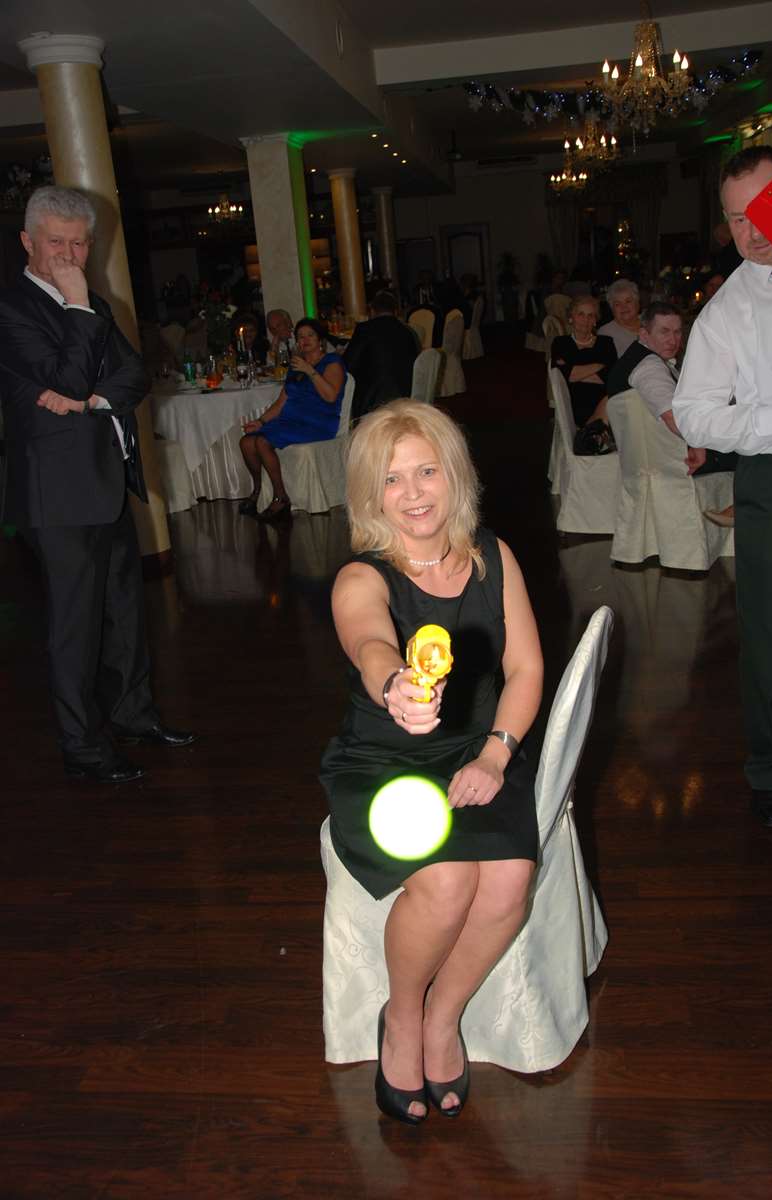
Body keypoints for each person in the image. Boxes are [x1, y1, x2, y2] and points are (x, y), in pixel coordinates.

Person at [320, 400, 543, 1123]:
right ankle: (402, 1016)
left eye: (426, 472)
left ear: (454, 475)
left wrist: (496, 756)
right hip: (382, 763)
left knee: (508, 879)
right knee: (446, 881)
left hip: (478, 751)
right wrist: (394, 685)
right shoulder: (362, 576)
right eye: (391, 479)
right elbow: (369, 642)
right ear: (370, 494)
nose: (413, 493)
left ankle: (444, 1016)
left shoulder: (491, 555)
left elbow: (526, 670)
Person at [0, 185, 196, 783]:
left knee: (124, 613)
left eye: (79, 244)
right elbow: (65, 376)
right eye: (55, 242)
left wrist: (89, 401)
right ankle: (82, 746)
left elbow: (132, 374)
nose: (68, 256)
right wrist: (80, 308)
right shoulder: (12, 307)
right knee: (74, 628)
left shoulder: (95, 304)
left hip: (107, 479)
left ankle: (133, 715)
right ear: (27, 241)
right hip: (56, 496)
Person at [673, 145, 772, 831]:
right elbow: (693, 414)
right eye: (736, 219)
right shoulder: (727, 310)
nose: (751, 233)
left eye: (763, 212)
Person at [238, 317, 345, 521]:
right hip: (290, 421)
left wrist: (310, 371)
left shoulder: (332, 363)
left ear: (320, 340)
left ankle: (281, 497)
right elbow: (281, 403)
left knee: (262, 442)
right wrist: (260, 421)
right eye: (301, 337)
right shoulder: (296, 366)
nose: (305, 340)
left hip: (317, 422)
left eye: (310, 335)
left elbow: (330, 396)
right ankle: (258, 491)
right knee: (247, 442)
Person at [607, 301, 708, 476]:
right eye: (664, 332)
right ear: (644, 334)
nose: (673, 340)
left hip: (650, 458)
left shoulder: (638, 357)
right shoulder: (649, 366)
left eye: (677, 332)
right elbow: (672, 415)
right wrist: (698, 444)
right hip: (674, 460)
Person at [343, 290, 419, 423]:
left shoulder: (364, 329)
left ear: (372, 311)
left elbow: (348, 365)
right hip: (406, 395)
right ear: (395, 311)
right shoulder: (408, 332)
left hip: (374, 400)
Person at [550, 295, 617, 428]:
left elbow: (612, 376)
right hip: (577, 401)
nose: (586, 320)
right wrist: (599, 365)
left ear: (595, 320)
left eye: (591, 315)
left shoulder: (606, 342)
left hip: (605, 397)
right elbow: (564, 375)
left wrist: (576, 372)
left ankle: (591, 434)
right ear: (571, 318)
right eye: (580, 314)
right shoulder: (561, 343)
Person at [598, 279, 641, 356]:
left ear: (637, 303)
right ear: (612, 309)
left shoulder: (650, 322)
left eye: (628, 301)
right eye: (617, 304)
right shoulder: (605, 333)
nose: (624, 307)